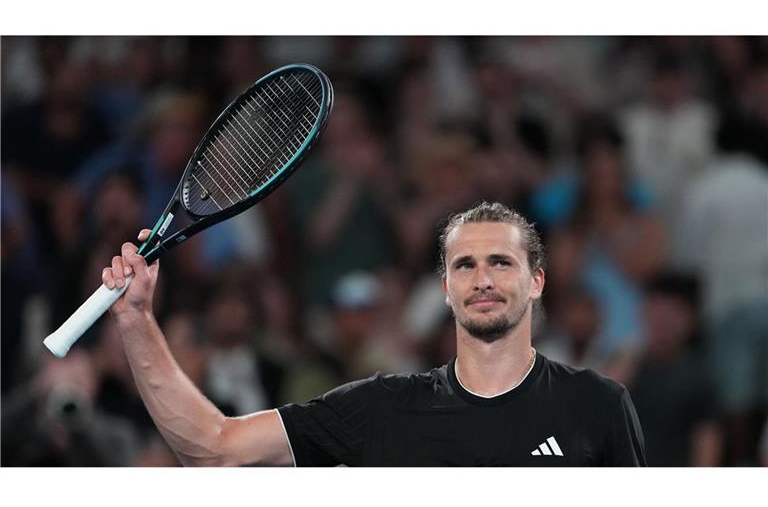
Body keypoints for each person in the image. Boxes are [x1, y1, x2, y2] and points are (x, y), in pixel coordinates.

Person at [101, 201, 646, 466]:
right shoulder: (382, 408)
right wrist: (137, 319)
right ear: (445, 288)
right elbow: (215, 448)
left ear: (537, 282)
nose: (483, 279)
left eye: (501, 262)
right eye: (465, 265)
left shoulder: (597, 405)